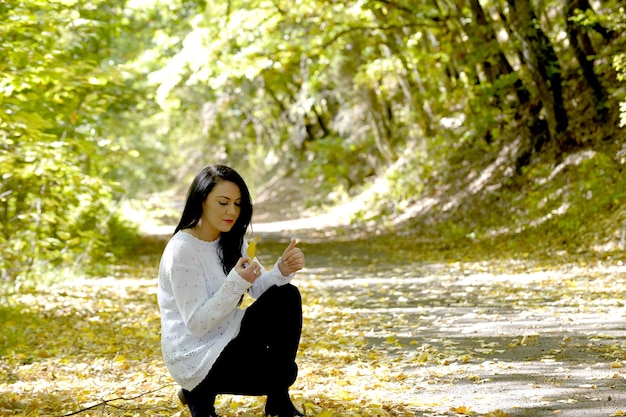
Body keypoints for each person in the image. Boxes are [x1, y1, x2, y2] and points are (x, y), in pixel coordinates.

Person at [157, 164, 306, 417]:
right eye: (223, 202)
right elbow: (196, 324)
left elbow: (258, 288)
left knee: (287, 295)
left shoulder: (233, 238)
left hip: (230, 334)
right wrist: (235, 282)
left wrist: (281, 269)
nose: (232, 211)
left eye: (238, 204)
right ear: (201, 200)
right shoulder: (182, 250)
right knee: (280, 374)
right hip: (195, 353)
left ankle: (278, 401)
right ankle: (198, 392)